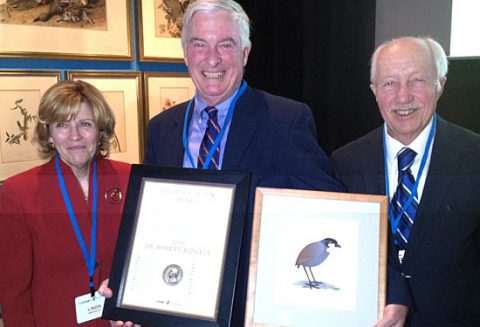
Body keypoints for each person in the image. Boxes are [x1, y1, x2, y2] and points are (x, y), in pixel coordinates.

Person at [100, 0, 344, 326]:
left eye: (225, 44)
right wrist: (127, 290)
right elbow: (149, 221)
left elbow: (335, 209)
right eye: (199, 44)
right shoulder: (162, 128)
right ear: (186, 53)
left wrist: (387, 288)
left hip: (251, 311)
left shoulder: (286, 120)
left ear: (244, 54)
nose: (212, 58)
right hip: (177, 301)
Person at [331, 36, 480, 326]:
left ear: (441, 84)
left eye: (417, 81)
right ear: (374, 91)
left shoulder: (475, 157)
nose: (403, 97)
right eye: (389, 83)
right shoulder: (344, 162)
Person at [0, 80, 131, 326]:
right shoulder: (19, 193)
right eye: (62, 125)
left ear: (100, 130)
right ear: (48, 133)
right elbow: (13, 292)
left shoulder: (129, 179)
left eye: (85, 124)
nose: (75, 136)